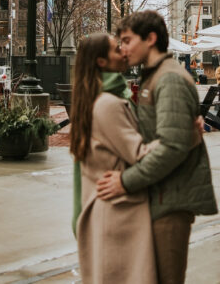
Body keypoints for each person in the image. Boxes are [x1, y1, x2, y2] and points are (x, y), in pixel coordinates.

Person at [98, 11, 218, 284]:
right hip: (160, 195)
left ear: (150, 39)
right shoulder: (154, 77)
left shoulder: (169, 79)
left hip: (171, 201)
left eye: (127, 40)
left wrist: (125, 182)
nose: (122, 47)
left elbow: (172, 148)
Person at [70, 32, 158, 283]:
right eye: (115, 48)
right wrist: (180, 136)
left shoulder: (96, 98)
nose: (122, 51)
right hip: (119, 215)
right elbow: (140, 154)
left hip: (108, 211)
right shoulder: (108, 104)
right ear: (101, 62)